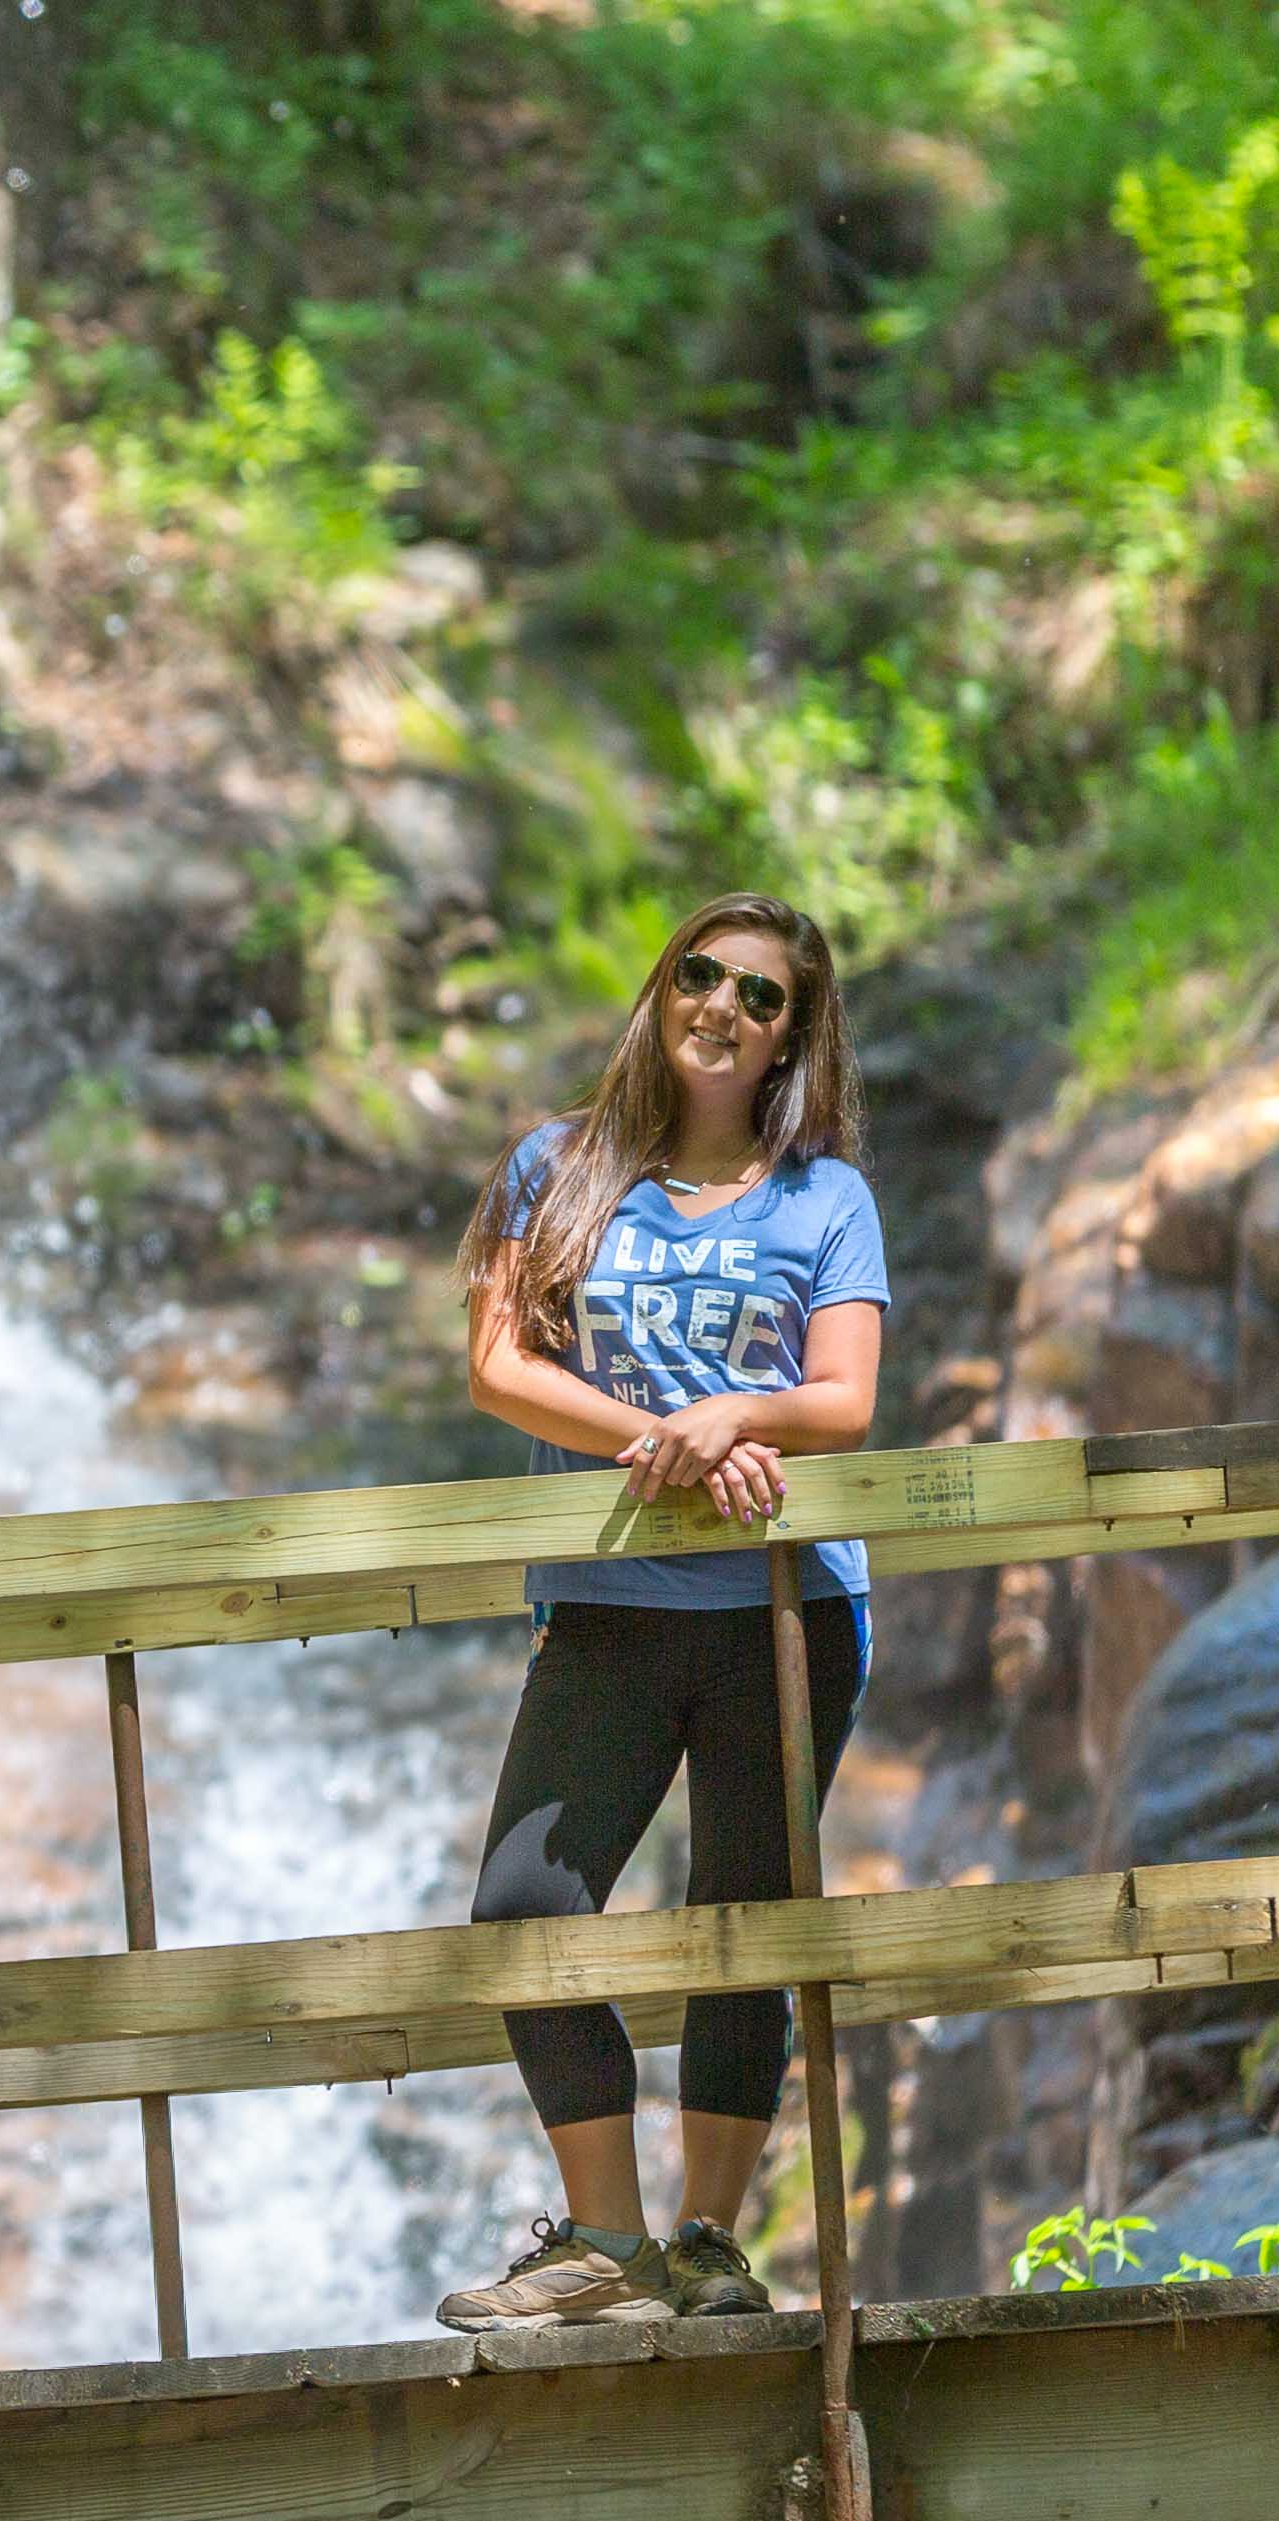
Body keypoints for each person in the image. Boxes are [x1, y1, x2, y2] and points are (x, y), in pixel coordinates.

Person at [431, 890, 886, 2329]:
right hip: (611, 1596)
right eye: (704, 975)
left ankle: (706, 2239)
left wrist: (740, 1408)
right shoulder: (556, 1168)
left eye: (762, 997)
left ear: (792, 1038)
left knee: (742, 1921)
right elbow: (500, 1367)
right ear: (661, 988)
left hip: (780, 1605)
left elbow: (845, 1401)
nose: (725, 1009)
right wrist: (662, 1434)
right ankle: (604, 2246)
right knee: (524, 1912)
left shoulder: (826, 1198)